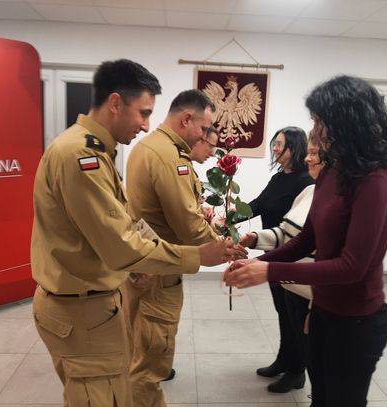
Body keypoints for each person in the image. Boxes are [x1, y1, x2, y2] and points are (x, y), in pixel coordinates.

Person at [31, 60, 241, 407]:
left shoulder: (95, 150)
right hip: (81, 308)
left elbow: (122, 221)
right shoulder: (80, 156)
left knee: (125, 382)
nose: (145, 125)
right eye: (143, 113)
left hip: (96, 299)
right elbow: (122, 245)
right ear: (115, 103)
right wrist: (200, 255)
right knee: (121, 387)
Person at [224, 75, 387, 407]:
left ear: (346, 122)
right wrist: (257, 263)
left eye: (319, 122)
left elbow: (352, 267)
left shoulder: (376, 180)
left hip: (356, 322)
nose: (315, 131)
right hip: (323, 311)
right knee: (320, 398)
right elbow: (305, 240)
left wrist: (269, 272)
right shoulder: (332, 172)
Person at [121, 90, 246, 407]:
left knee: (137, 350)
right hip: (159, 274)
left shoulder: (148, 147)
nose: (205, 137)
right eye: (204, 129)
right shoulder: (169, 157)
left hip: (142, 266)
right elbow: (188, 226)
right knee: (149, 366)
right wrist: (223, 247)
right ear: (187, 119)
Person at [240, 134, 323, 393]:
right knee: (284, 314)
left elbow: (302, 240)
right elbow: (261, 207)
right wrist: (234, 219)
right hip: (277, 256)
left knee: (297, 321)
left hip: (296, 267)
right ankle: (285, 360)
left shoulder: (306, 182)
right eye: (274, 143)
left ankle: (296, 371)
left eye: (279, 144)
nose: (275, 149)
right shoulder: (283, 180)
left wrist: (264, 263)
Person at [190, 126, 219, 223]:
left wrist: (202, 211)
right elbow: (183, 214)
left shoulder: (187, 165)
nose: (212, 153)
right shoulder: (179, 165)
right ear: (198, 139)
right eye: (211, 146)